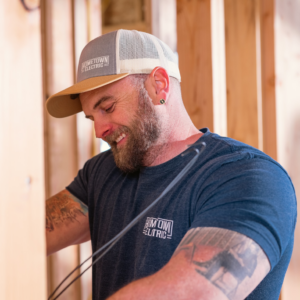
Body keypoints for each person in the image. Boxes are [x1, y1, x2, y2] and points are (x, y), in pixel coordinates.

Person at [45, 30, 297, 300]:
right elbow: (26, 236)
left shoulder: (248, 177)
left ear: (159, 85)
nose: (99, 130)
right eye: (91, 117)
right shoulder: (101, 173)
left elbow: (193, 294)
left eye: (107, 107)